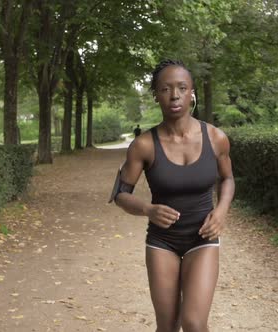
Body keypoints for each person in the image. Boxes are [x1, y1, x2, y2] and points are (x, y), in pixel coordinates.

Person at [111, 59, 235, 332]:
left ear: (192, 93)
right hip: (162, 241)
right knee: (167, 326)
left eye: (182, 87)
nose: (175, 95)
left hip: (202, 238)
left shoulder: (216, 138)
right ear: (156, 95)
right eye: (165, 89)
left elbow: (227, 178)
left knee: (193, 323)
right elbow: (120, 194)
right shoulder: (144, 145)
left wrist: (222, 210)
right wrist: (148, 209)